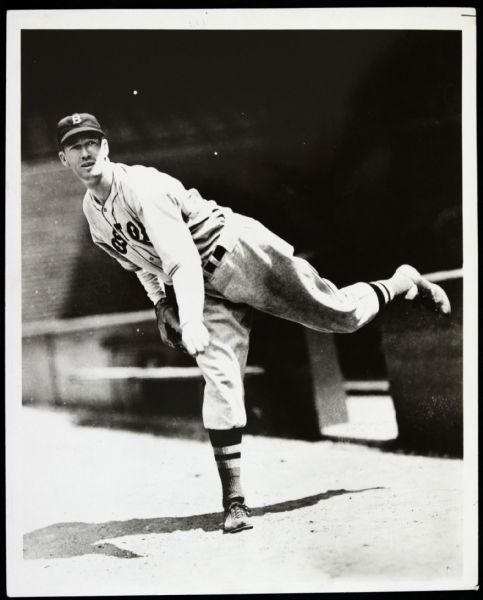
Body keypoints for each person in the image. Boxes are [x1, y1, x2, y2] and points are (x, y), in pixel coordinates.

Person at [57, 112, 451, 534]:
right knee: (221, 380)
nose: (87, 151)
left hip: (237, 252)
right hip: (201, 289)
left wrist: (188, 320)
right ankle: (235, 501)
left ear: (107, 146)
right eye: (76, 146)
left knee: (343, 315)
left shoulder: (142, 188)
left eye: (93, 141)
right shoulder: (93, 212)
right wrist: (159, 304)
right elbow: (141, 265)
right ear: (64, 159)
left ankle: (402, 280)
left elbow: (182, 259)